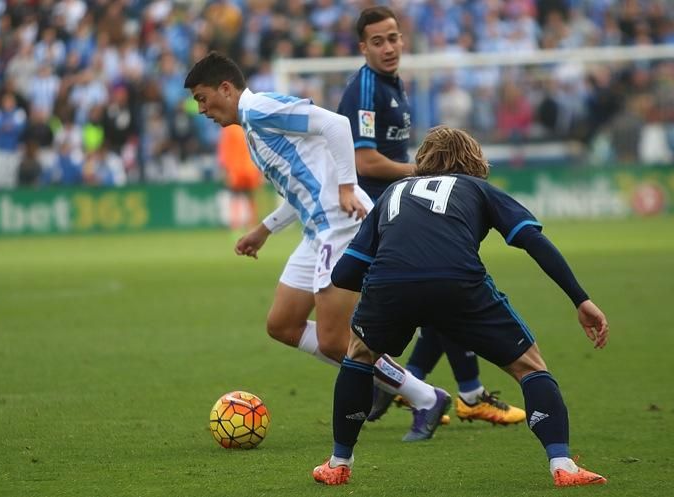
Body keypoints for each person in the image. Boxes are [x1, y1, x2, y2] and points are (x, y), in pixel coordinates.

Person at [312, 126, 609, 488]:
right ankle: (563, 465)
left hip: (389, 286)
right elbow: (533, 241)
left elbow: (343, 274)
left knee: (358, 355)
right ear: (474, 159)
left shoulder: (393, 192)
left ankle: (338, 463)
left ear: (421, 161)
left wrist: (393, 291)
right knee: (529, 366)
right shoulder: (478, 189)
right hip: (458, 283)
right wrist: (581, 299)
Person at [184, 52, 450, 441]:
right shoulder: (253, 126)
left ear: (226, 88)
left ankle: (424, 396)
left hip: (339, 225)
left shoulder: (258, 109)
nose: (202, 109)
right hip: (316, 230)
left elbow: (336, 124)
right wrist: (264, 229)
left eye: (203, 98)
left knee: (334, 340)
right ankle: (377, 373)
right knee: (282, 324)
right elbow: (301, 185)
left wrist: (346, 185)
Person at [336, 6, 524, 428]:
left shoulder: (392, 83)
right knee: (442, 290)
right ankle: (447, 390)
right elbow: (365, 161)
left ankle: (425, 385)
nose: (388, 47)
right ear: (362, 46)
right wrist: (427, 173)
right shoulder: (365, 89)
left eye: (394, 38)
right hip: (376, 214)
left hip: (399, 209)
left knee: (439, 297)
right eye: (378, 41)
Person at [216, 124, 263, 231]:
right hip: (237, 168)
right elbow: (224, 149)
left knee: (249, 196)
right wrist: (225, 168)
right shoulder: (231, 128)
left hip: (249, 168)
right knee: (236, 196)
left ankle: (251, 224)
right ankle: (236, 224)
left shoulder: (248, 124)